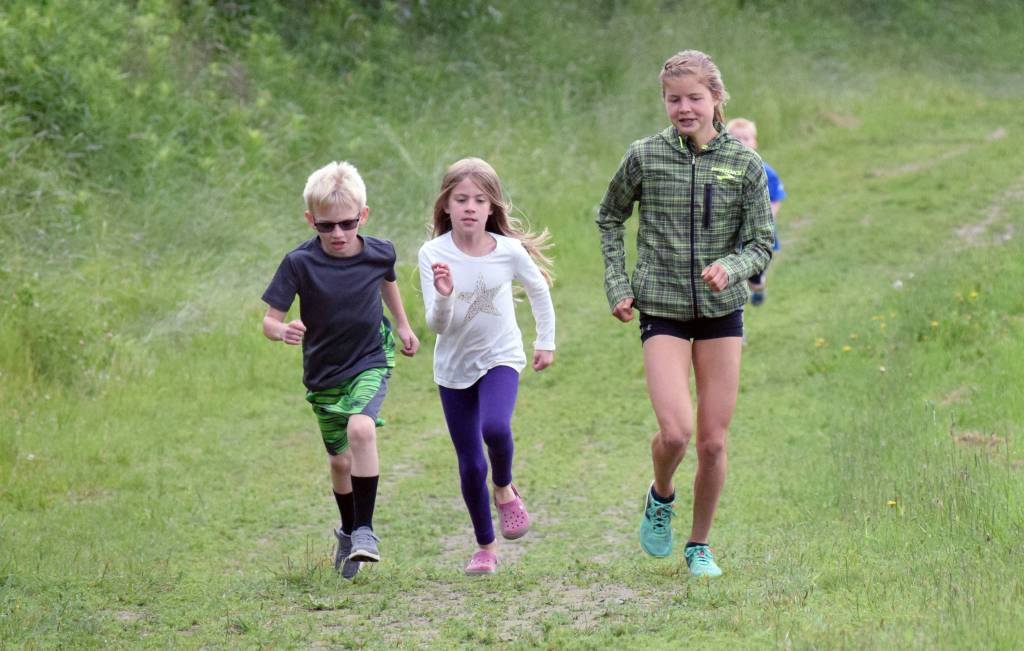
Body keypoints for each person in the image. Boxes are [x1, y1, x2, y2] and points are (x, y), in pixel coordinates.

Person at [596, 50, 773, 577]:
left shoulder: (745, 164)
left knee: (713, 441)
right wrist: (617, 284)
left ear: (717, 99)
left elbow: (762, 242)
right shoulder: (645, 156)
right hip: (662, 310)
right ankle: (661, 493)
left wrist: (732, 266)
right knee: (675, 433)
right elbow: (609, 217)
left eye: (695, 97)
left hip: (721, 313)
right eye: (674, 99)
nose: (684, 108)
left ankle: (699, 545)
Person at [261, 161, 419, 579]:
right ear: (311, 221)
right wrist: (283, 330)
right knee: (339, 464)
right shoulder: (298, 263)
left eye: (347, 224)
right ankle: (348, 532)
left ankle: (366, 530)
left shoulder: (379, 250)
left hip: (370, 356)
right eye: (326, 226)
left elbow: (387, 280)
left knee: (361, 430)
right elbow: (268, 320)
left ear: (362, 217)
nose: (338, 234)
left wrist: (402, 324)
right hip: (323, 373)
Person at [418, 158, 556, 575]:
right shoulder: (433, 254)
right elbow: (437, 325)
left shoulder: (509, 251)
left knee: (495, 428)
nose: (470, 207)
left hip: (501, 356)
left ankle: (505, 488)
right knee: (470, 463)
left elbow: (538, 291)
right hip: (453, 368)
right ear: (445, 206)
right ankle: (485, 547)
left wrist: (544, 341)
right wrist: (444, 294)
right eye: (461, 199)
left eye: (480, 200)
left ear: (492, 207)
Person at [725, 117, 786, 306]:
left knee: (753, 278)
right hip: (732, 234)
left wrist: (766, 220)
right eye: (736, 139)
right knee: (731, 280)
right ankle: (735, 325)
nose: (741, 143)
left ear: (754, 142)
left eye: (746, 138)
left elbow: (775, 200)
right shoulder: (723, 171)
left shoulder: (766, 171)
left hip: (759, 232)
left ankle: (758, 286)